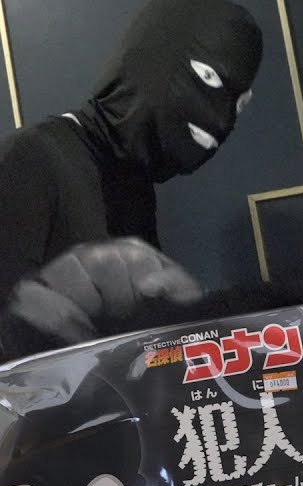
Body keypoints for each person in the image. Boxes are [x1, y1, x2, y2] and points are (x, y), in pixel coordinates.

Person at [0, 0, 262, 362]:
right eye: (208, 79)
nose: (222, 121)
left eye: (239, 106)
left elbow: (143, 334)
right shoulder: (33, 157)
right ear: (151, 54)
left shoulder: (132, 187)